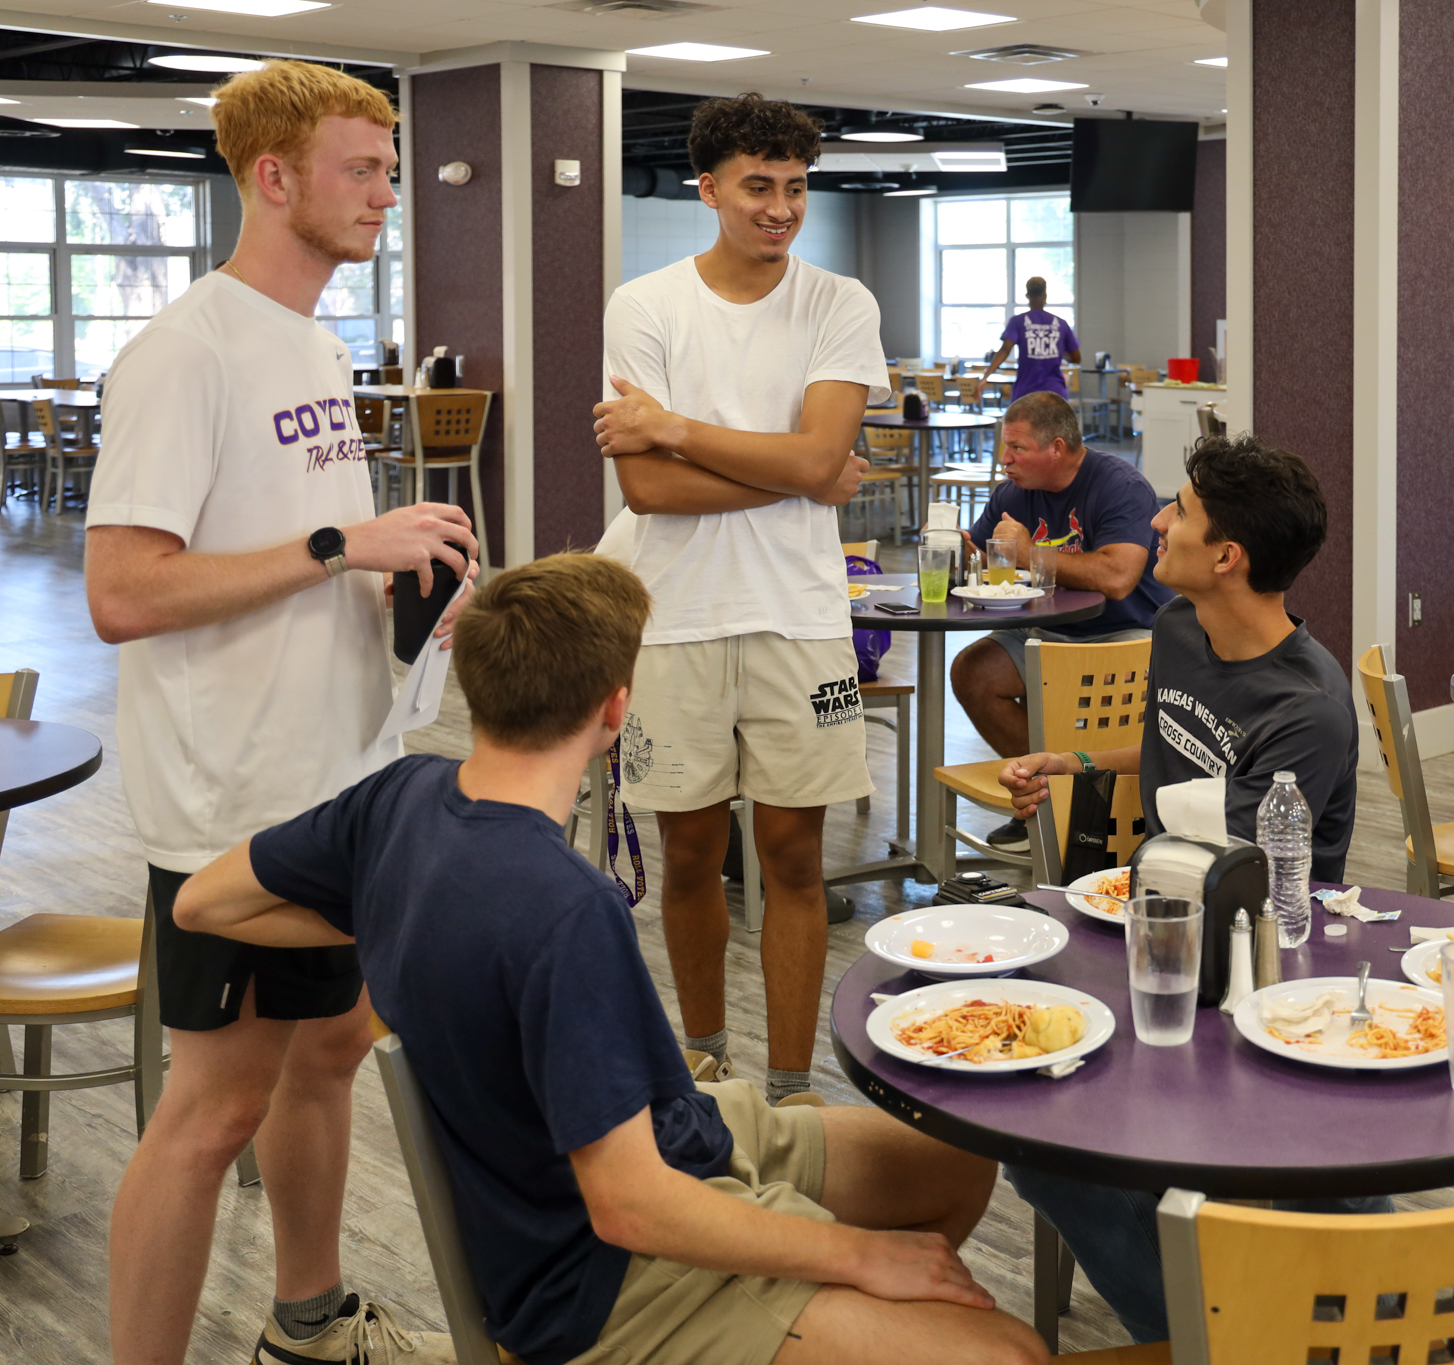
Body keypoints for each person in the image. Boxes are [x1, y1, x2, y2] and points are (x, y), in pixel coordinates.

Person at [170, 554, 1049, 1365]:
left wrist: (396, 912)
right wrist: (859, 1254)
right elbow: (630, 1205)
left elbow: (202, 900)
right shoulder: (564, 907)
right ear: (615, 707)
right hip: (606, 1277)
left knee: (955, 1159)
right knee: (1010, 1354)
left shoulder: (399, 799)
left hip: (679, 1137)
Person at [84, 60, 478, 1365]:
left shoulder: (310, 340)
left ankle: (308, 1321)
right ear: (274, 176)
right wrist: (337, 541)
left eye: (388, 166)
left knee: (331, 1053)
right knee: (213, 1107)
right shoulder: (182, 353)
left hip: (339, 781)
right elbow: (125, 591)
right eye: (364, 168)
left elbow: (297, 557)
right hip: (232, 805)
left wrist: (402, 591)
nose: (387, 192)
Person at [991, 433, 1365, 1342]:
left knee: (1091, 1148)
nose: (1159, 519)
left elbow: (1236, 863)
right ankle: (1217, 1326)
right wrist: (1073, 756)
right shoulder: (1176, 628)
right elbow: (1172, 763)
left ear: (1228, 556)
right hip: (1153, 925)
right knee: (1033, 1136)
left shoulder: (1306, 707)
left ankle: (1233, 1332)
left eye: (1183, 512)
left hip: (1257, 965)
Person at [589, 92, 883, 1105]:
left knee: (798, 857)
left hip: (802, 621)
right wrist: (800, 472)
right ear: (707, 189)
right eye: (758, 187)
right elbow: (647, 492)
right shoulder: (646, 304)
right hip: (672, 616)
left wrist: (675, 426)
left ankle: (794, 1084)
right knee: (688, 855)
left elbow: (815, 456)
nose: (780, 208)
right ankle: (704, 1057)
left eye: (795, 188)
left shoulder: (839, 303)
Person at [949, 391, 1170, 851]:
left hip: (1126, 632)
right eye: (1003, 447)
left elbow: (1118, 576)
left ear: (1057, 448)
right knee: (972, 672)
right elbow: (989, 562)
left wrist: (1031, 554)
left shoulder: (1119, 486)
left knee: (1082, 698)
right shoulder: (1013, 493)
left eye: (1017, 449)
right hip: (1046, 630)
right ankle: (1043, 797)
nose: (1004, 460)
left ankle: (1090, 809)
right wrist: (961, 553)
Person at [979, 275, 1078, 402]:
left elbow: (1004, 350)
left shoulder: (1018, 322)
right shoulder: (1060, 324)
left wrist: (985, 377)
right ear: (1045, 296)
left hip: (1026, 391)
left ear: (1027, 296)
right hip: (1054, 393)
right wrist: (1058, 351)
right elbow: (1076, 358)